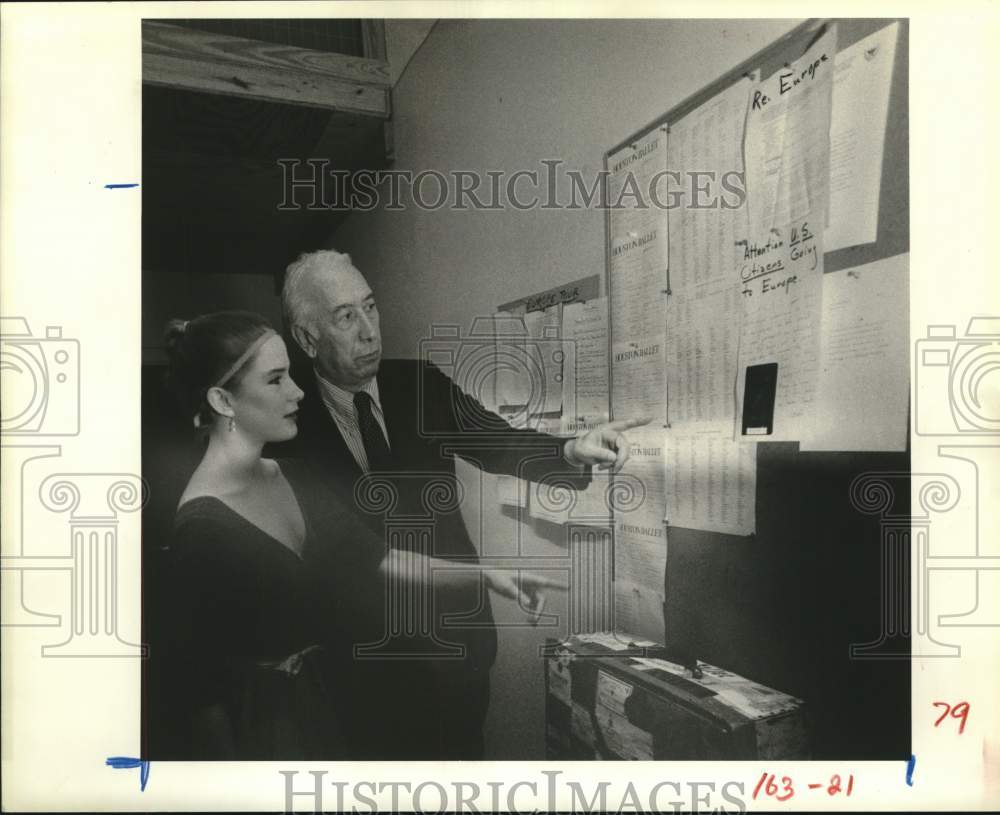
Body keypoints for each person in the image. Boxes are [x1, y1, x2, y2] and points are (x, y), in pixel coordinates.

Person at [279, 249, 649, 759]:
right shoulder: (288, 426)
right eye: (346, 317)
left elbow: (497, 440)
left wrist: (568, 449)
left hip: (457, 645)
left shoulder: (419, 384)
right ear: (307, 338)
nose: (370, 331)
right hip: (362, 662)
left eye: (371, 307)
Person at [160, 310, 556, 760]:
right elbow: (198, 699)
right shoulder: (200, 529)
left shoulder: (294, 475)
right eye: (275, 380)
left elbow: (384, 558)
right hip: (267, 733)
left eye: (290, 374)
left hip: (332, 709)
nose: (297, 391)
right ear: (223, 400)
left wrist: (488, 574)